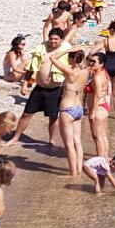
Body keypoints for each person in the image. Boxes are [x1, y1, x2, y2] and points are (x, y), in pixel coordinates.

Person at [3, 29, 66, 148]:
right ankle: (15, 138)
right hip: (40, 88)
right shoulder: (42, 50)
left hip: (56, 89)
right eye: (51, 38)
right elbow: (32, 67)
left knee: (53, 116)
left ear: (61, 40)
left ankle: (51, 141)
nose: (53, 41)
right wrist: (25, 83)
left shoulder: (64, 52)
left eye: (56, 39)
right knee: (27, 113)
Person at [47, 45, 88, 177]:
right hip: (79, 108)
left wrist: (69, 50)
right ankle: (79, 170)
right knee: (78, 142)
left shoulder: (69, 72)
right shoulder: (86, 71)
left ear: (71, 58)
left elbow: (52, 57)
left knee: (69, 145)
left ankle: (73, 173)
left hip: (67, 109)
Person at [84, 51, 111, 157]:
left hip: (97, 108)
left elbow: (97, 95)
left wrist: (92, 113)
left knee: (97, 137)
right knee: (102, 135)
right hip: (103, 107)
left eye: (93, 62)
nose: (90, 63)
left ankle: (100, 161)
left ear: (101, 63)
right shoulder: (104, 72)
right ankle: (105, 157)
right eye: (90, 61)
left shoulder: (97, 77)